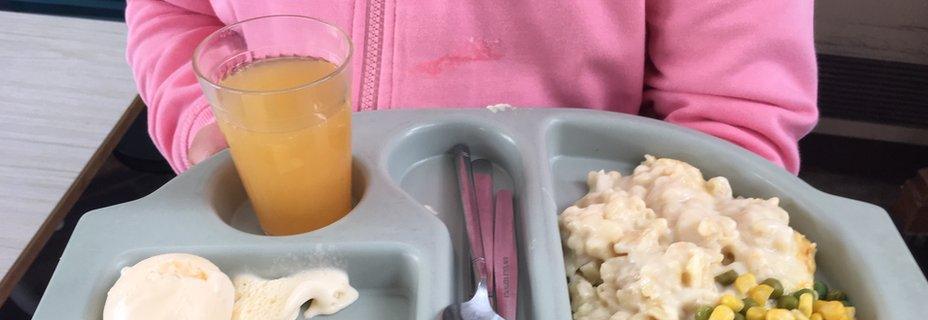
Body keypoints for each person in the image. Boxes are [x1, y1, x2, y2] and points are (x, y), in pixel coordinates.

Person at [126, 1, 817, 174]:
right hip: (276, 221)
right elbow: (179, 14)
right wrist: (203, 128)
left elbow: (735, 122)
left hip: (571, 244)